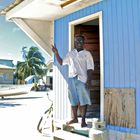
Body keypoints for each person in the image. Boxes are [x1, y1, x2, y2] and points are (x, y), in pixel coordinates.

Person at [52, 35, 94, 127]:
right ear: (74, 42)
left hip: (82, 79)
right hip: (71, 79)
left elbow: (90, 68)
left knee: (84, 100)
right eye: (77, 41)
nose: (79, 42)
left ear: (84, 42)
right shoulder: (71, 53)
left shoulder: (87, 54)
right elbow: (62, 62)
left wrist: (89, 80)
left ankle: (83, 120)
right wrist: (56, 53)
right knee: (73, 99)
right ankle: (75, 118)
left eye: (81, 41)